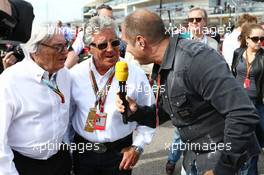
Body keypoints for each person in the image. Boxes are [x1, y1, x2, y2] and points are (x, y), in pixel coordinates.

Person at [117, 9, 261, 175]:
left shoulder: (196, 59)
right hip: (196, 158)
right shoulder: (163, 63)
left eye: (126, 43)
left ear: (141, 42)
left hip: (225, 162)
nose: (126, 49)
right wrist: (136, 112)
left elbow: (243, 114)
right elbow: (171, 111)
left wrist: (222, 169)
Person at [70, 16, 155, 175]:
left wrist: (138, 147)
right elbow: (67, 117)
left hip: (120, 153)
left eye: (115, 43)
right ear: (89, 48)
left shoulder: (135, 74)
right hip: (83, 153)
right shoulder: (74, 75)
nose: (110, 49)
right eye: (102, 45)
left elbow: (151, 114)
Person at [0, 26, 72, 175]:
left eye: (66, 45)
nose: (65, 52)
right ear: (34, 49)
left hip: (60, 160)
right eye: (58, 47)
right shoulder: (10, 81)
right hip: (25, 165)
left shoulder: (64, 74)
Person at [231, 23, 264, 175]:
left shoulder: (263, 56)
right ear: (247, 39)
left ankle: (252, 172)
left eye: (262, 39)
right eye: (255, 38)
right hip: (236, 104)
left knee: (254, 143)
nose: (259, 42)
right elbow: (233, 74)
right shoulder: (238, 52)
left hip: (256, 105)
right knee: (237, 141)